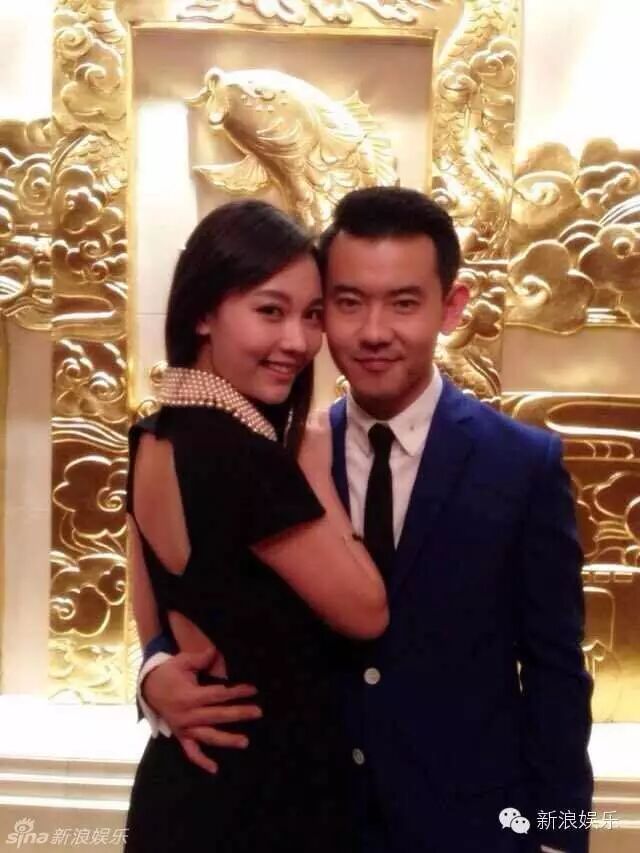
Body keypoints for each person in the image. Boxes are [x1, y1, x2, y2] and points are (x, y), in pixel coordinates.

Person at [138, 188, 593, 853]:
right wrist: (154, 675)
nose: (374, 331)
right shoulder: (279, 450)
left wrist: (560, 838)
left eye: (404, 303)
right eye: (347, 303)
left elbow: (556, 670)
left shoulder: (522, 464)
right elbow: (195, 594)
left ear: (451, 307)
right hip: (308, 822)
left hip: (468, 830)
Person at [124, 199, 388, 853]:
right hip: (261, 795)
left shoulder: (152, 434)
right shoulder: (247, 459)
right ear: (203, 313)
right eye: (270, 311)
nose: (297, 341)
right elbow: (366, 612)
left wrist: (155, 672)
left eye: (312, 315)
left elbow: (153, 616)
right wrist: (313, 472)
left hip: (186, 784)